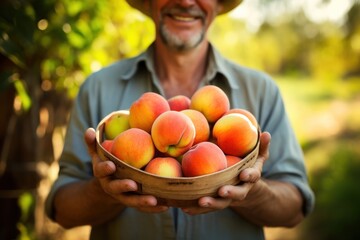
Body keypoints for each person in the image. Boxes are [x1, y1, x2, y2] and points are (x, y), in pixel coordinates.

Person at [45, 0, 315, 239]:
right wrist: (103, 190)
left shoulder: (261, 90)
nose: (185, 1)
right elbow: (62, 211)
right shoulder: (97, 89)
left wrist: (251, 192)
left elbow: (294, 210)